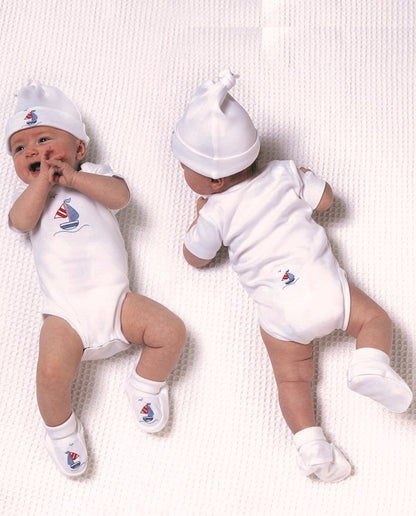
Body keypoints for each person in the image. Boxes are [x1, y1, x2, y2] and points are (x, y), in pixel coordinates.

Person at [171, 69, 412, 482]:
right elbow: (327, 200)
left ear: (213, 179)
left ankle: (312, 445)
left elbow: (195, 257)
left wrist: (198, 219)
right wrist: (308, 174)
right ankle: (369, 363)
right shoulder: (283, 173)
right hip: (325, 286)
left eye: (184, 165)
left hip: (280, 312)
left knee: (293, 379)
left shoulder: (214, 212)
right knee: (375, 321)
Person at [7, 81, 186, 477]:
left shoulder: (95, 175)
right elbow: (19, 222)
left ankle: (145, 384)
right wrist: (42, 184)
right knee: (51, 374)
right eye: (20, 149)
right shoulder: (30, 200)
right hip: (65, 315)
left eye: (44, 138)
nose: (33, 150)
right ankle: (61, 430)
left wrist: (72, 179)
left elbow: (120, 197)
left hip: (117, 302)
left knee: (171, 331)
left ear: (79, 150)